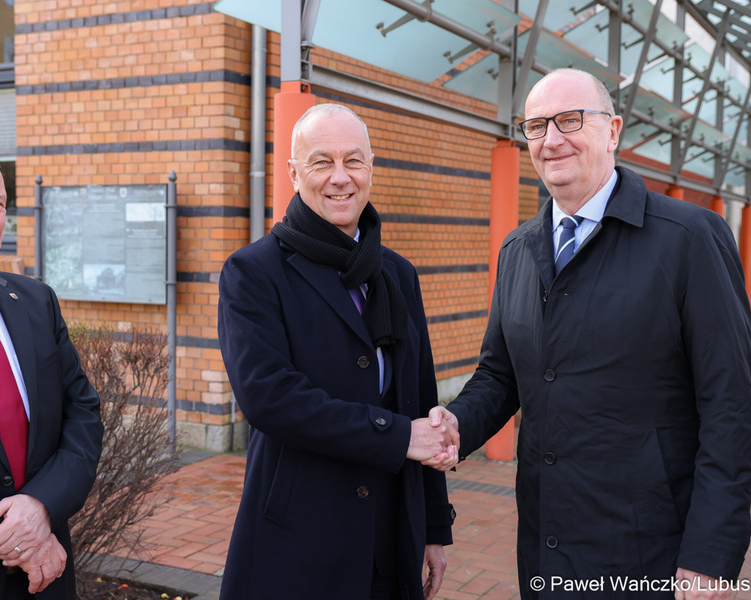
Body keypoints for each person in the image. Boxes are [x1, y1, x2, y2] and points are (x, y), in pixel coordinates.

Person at [425, 68, 751, 598]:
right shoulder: (518, 250)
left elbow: (733, 404)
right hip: (546, 543)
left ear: (613, 130)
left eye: (569, 120)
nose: (551, 139)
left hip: (653, 555)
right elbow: (501, 374)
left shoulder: (688, 239)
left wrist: (711, 556)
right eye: (536, 126)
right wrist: (456, 424)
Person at [218, 103, 456, 600]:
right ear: (293, 173)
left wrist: (434, 526)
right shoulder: (254, 272)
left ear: (371, 168)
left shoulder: (398, 273)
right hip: (301, 538)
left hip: (391, 532)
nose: (340, 178)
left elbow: (421, 400)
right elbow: (269, 398)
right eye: (322, 161)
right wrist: (394, 437)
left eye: (354, 161)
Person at [0, 141, 103, 598]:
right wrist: (20, 535)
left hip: (47, 575)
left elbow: (83, 414)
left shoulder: (36, 300)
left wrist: (41, 506)